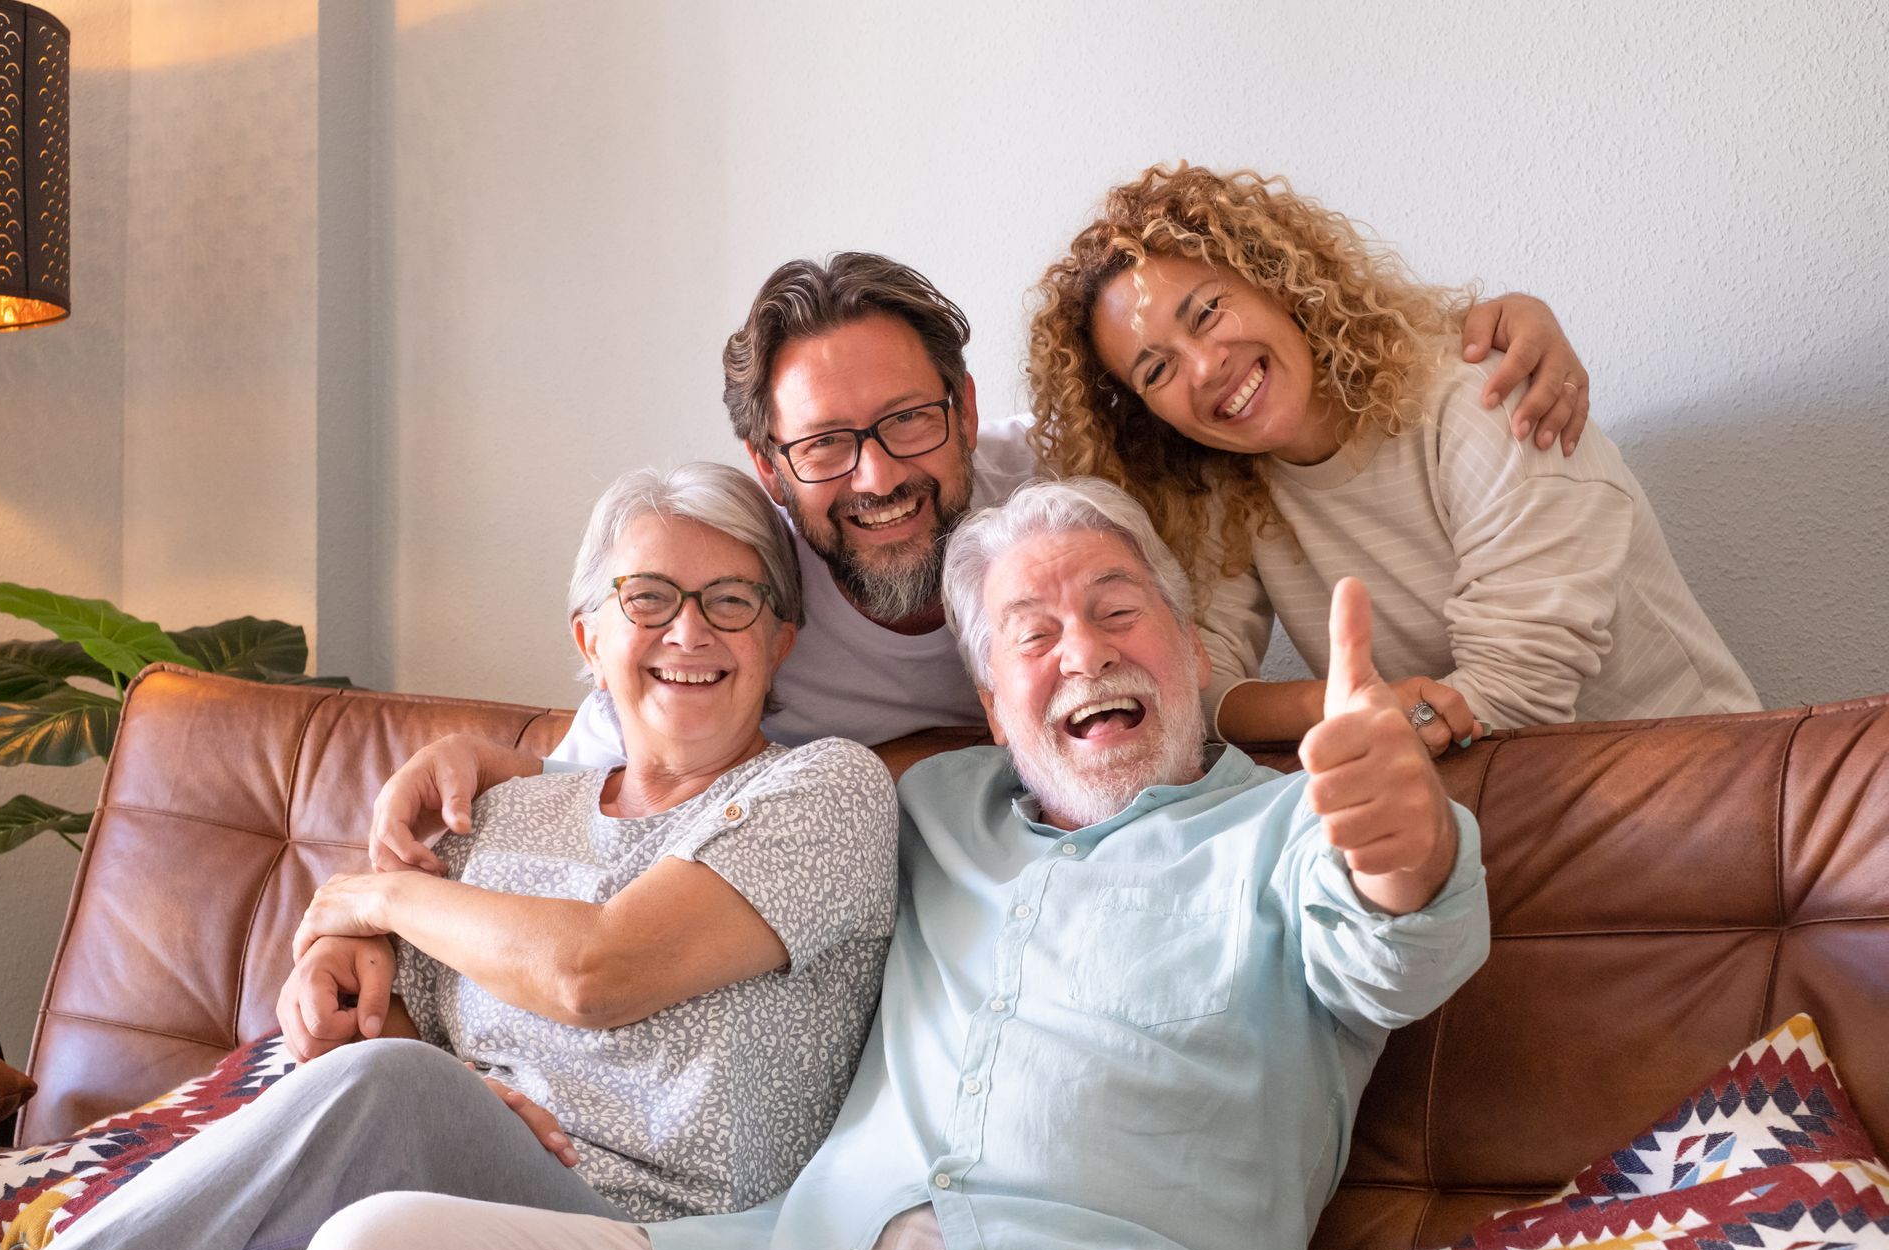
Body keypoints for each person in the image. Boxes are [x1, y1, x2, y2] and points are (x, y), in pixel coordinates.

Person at [298, 477, 1491, 1250]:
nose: (1083, 648)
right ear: (989, 704)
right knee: (372, 1247)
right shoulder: (920, 805)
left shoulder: (1295, 825)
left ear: (1189, 648)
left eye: (1120, 610)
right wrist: (480, 776)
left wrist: (1402, 841)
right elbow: (661, 768)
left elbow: (1395, 948)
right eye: (1031, 633)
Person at [363, 251, 1593, 873]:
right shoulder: (731, 583)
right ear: (768, 461)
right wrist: (370, 909)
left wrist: (1486, 318)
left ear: (961, 403)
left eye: (908, 421)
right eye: (828, 446)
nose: (881, 476)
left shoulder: (1061, 510)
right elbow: (598, 770)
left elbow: (1250, 396)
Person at [31, 463, 898, 1250]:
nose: (689, 629)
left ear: (781, 639)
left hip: (662, 1239)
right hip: (460, 1202)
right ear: (590, 638)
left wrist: (373, 896)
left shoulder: (825, 790)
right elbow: (370, 1032)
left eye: (732, 600)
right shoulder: (495, 814)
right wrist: (461, 1094)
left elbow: (594, 972)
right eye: (649, 598)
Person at [1027, 164, 1759, 753]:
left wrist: (1374, 721)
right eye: (1156, 370)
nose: (1204, 368)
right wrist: (1335, 701)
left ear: (1276, 279)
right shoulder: (1228, 487)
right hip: (1481, 812)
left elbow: (1517, 692)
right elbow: (1191, 681)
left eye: (1208, 312)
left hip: (1689, 783)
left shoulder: (1483, 400)